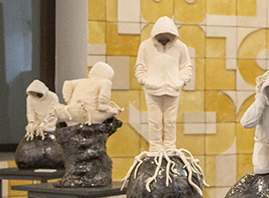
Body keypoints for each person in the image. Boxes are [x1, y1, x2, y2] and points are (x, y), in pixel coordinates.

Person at [135, 16, 193, 151]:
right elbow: (140, 67)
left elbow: (186, 67)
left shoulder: (180, 47)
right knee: (154, 121)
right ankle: (155, 148)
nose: (164, 38)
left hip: (173, 90)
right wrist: (145, 81)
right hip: (152, 91)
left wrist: (181, 81)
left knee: (171, 121)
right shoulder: (145, 46)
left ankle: (170, 148)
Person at [55, 62, 123, 125]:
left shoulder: (82, 81)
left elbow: (67, 84)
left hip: (73, 111)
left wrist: (69, 101)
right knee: (114, 111)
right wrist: (103, 105)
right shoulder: (105, 82)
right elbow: (104, 97)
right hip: (89, 114)